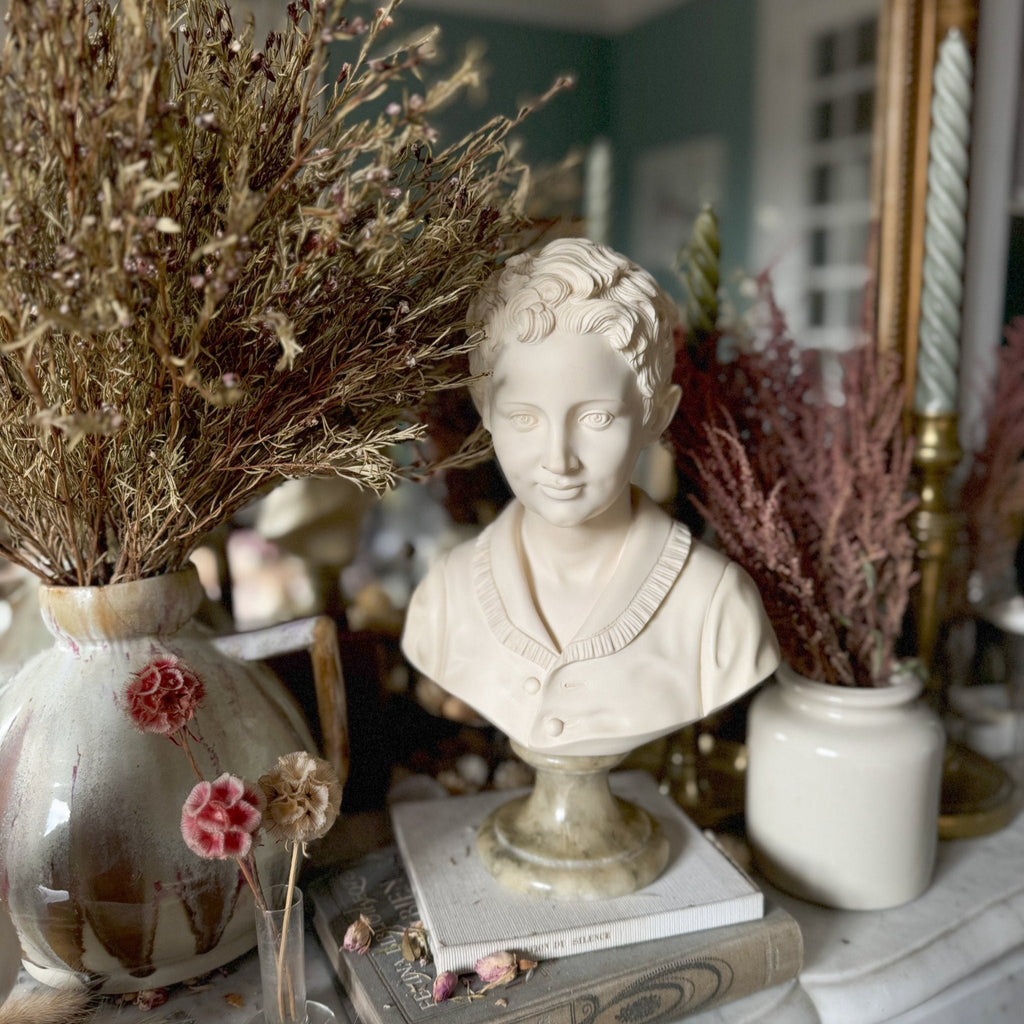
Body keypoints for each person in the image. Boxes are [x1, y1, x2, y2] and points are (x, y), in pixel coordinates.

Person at [402, 237, 779, 758]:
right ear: (485, 411)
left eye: (596, 418)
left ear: (657, 416)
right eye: (524, 418)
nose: (559, 459)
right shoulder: (444, 598)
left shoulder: (717, 612)